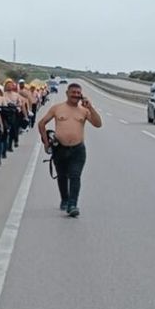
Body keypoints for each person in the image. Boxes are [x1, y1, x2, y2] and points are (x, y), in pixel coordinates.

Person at [38, 82, 103, 218]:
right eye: (73, 92)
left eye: (78, 93)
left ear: (81, 95)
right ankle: (65, 199)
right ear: (67, 93)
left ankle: (72, 204)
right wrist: (45, 142)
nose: (75, 95)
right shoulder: (57, 108)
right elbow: (42, 123)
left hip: (78, 150)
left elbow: (98, 124)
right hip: (59, 149)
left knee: (75, 176)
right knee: (62, 176)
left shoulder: (84, 111)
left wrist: (90, 107)